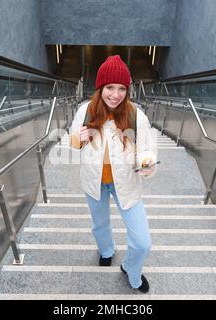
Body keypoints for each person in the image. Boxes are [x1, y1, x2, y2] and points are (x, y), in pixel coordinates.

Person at [69, 55, 158, 293]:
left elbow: (146, 148)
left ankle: (131, 268)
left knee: (142, 242)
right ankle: (106, 250)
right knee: (100, 223)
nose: (115, 94)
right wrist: (79, 138)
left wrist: (146, 162)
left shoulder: (136, 115)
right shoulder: (85, 110)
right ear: (100, 88)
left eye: (121, 89)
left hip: (126, 183)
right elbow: (72, 139)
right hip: (94, 181)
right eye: (110, 87)